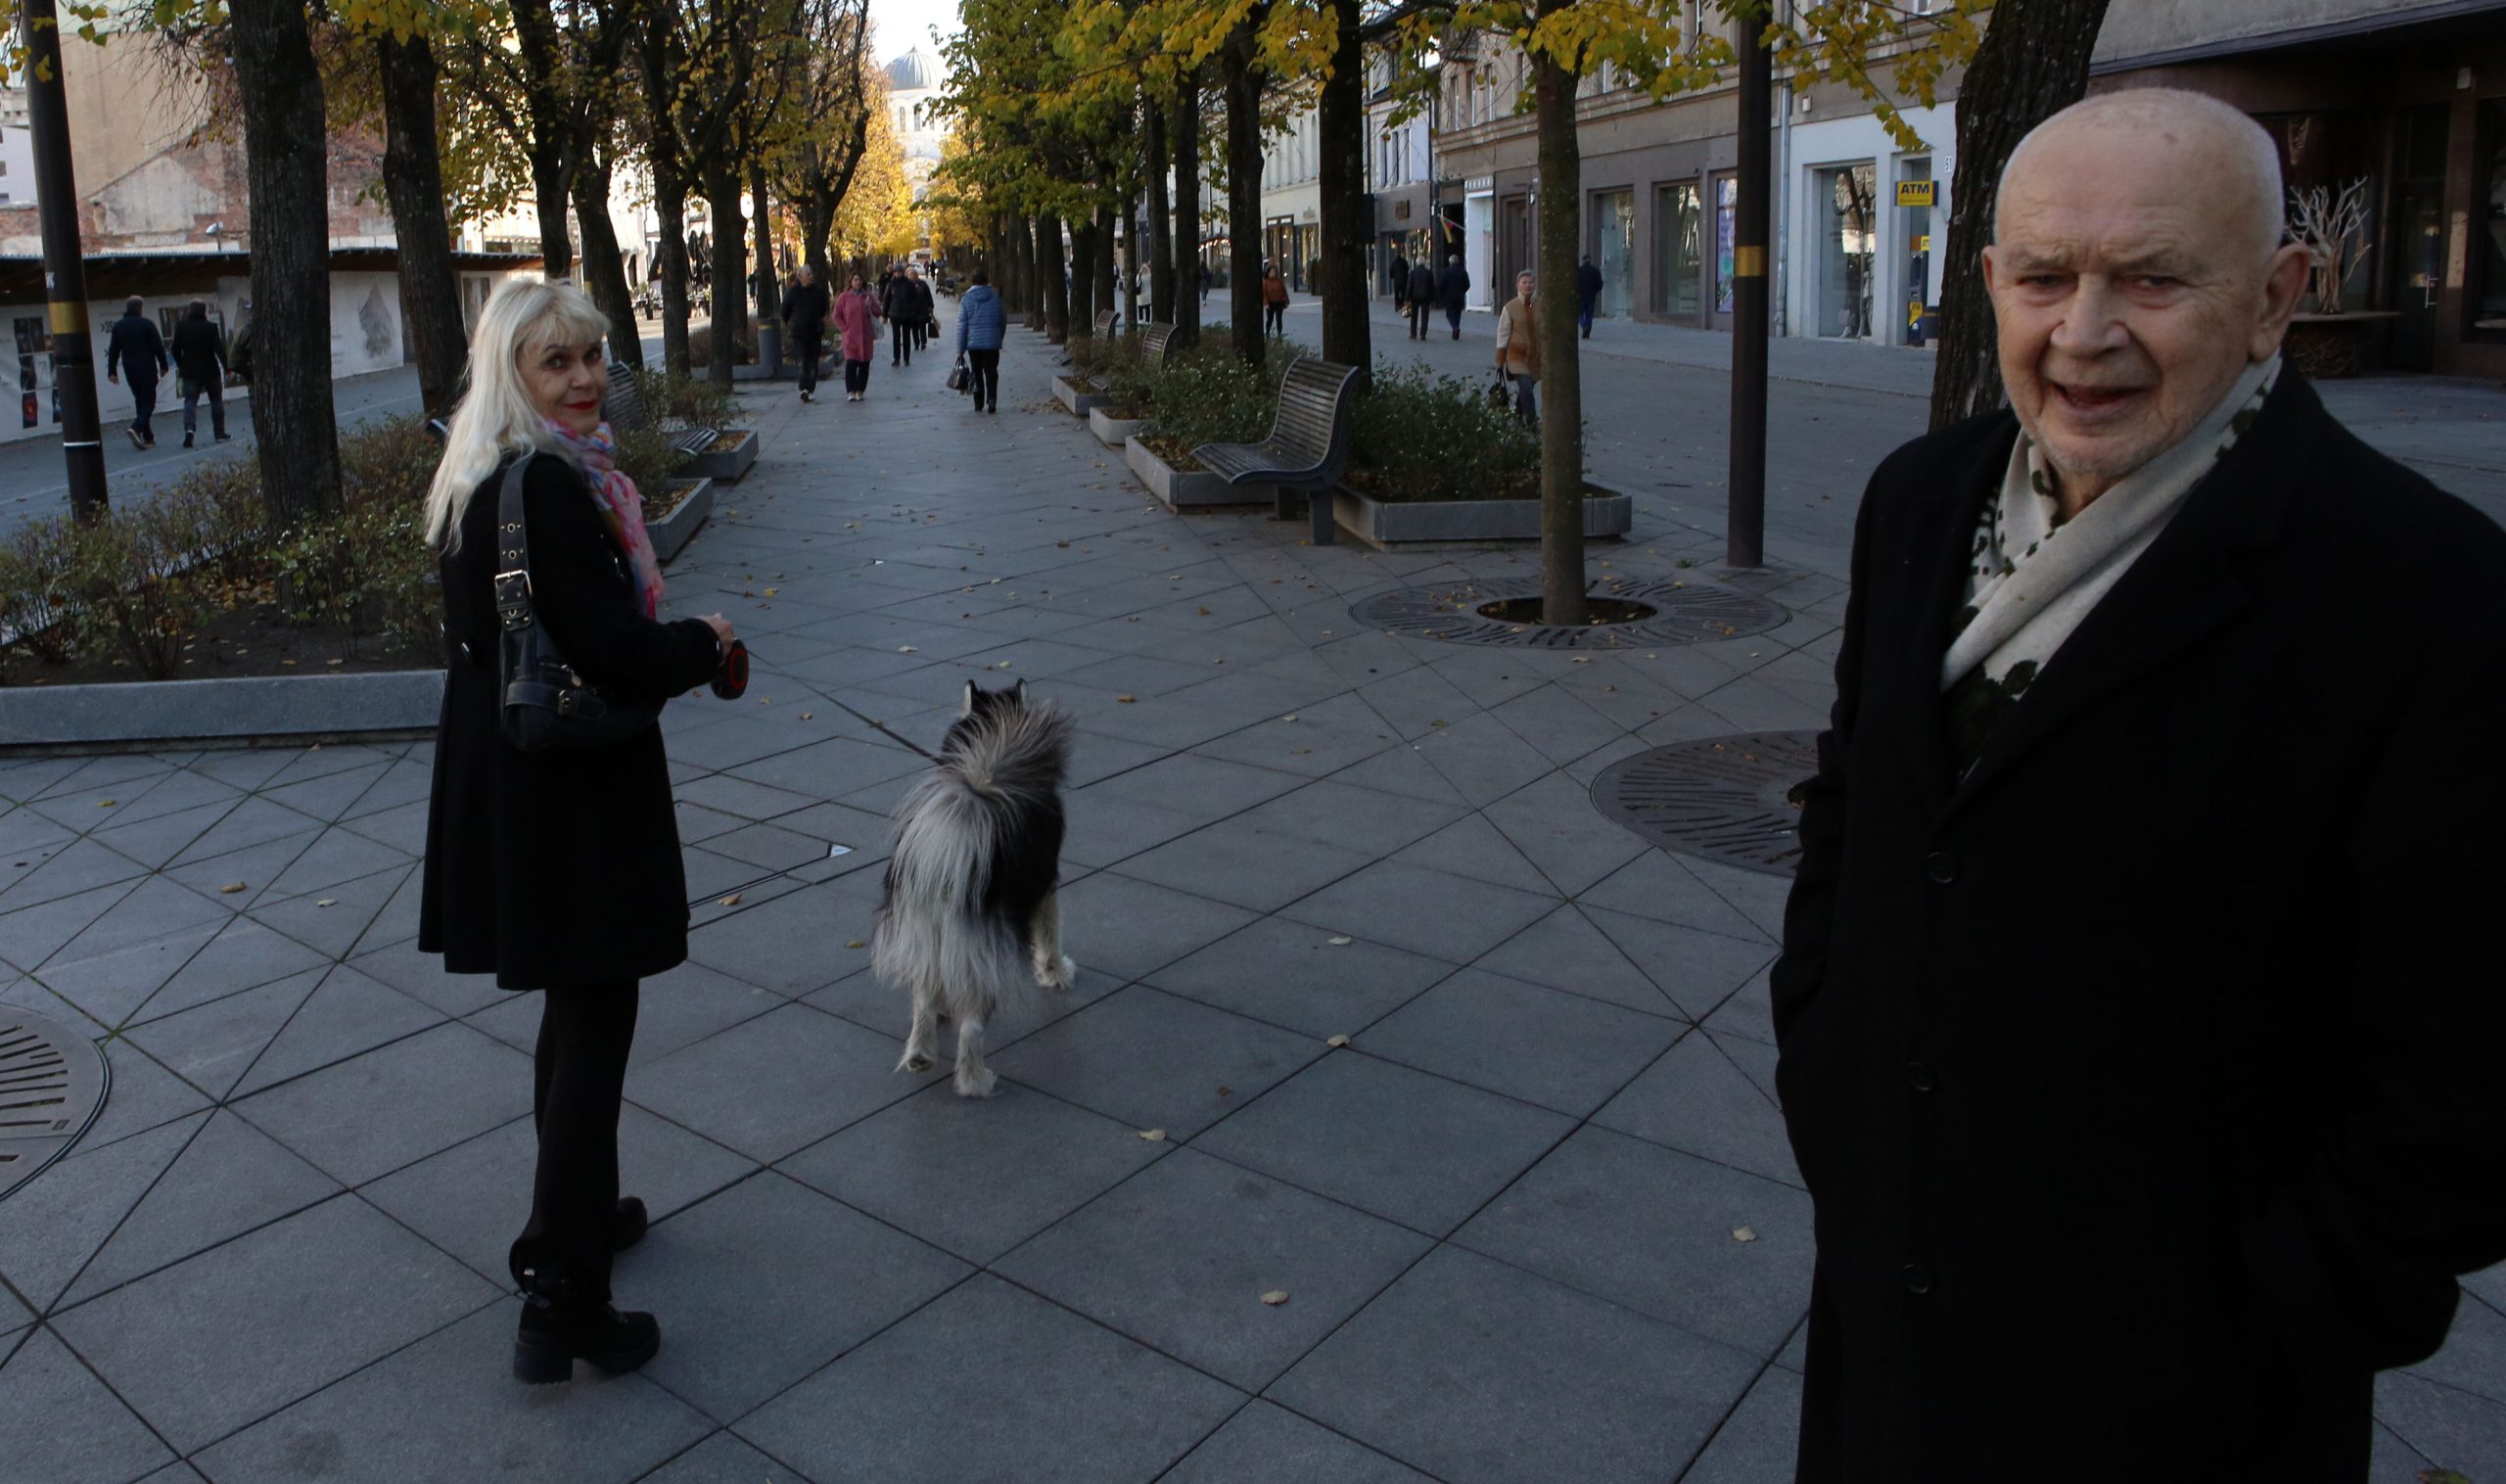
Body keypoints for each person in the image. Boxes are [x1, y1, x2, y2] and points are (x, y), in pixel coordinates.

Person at [1775, 89, 2506, 1482]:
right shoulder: (1919, 502)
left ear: (2280, 295)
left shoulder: (2428, 595)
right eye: (2044, 277)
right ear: (1987, 283)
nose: (2084, 334)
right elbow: (1857, 802)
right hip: (1892, 1299)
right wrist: (1824, 1043)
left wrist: (2293, 1297)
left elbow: (2468, 1072)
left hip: (2188, 1388)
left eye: (2156, 279)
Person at [418, 279, 737, 1387]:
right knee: (597, 1016)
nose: (587, 377)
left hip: (516, 778)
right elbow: (615, 651)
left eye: (594, 355)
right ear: (512, 372)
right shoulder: (547, 486)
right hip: (569, 791)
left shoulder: (478, 475)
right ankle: (563, 1296)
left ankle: (581, 1213)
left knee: (576, 1007)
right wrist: (705, 640)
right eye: (557, 362)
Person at [103, 297, 168, 450]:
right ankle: (136, 428)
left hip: (130, 369)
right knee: (149, 402)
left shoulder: (119, 326)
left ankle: (148, 437)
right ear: (141, 308)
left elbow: (113, 350)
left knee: (140, 400)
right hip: (147, 367)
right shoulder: (147, 324)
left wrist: (112, 371)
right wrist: (164, 365)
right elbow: (158, 346)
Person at [168, 300, 230, 447]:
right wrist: (227, 367)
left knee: (190, 402)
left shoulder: (181, 327)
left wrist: (182, 364)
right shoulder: (211, 327)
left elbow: (175, 349)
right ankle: (219, 433)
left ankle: (189, 431)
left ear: (190, 311)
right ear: (204, 312)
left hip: (190, 371)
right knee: (216, 401)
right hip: (210, 369)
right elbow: (219, 349)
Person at [954, 265, 1006, 414]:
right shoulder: (995, 298)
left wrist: (960, 349)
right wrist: (998, 337)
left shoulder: (966, 299)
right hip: (991, 343)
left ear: (972, 281)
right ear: (986, 281)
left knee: (976, 372)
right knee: (991, 371)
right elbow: (1002, 319)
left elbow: (962, 326)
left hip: (974, 344)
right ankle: (992, 400)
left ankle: (978, 403)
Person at [779, 263, 830, 403]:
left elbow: (823, 309)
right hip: (799, 333)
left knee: (813, 362)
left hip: (815, 332)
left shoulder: (818, 291)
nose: (811, 277)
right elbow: (784, 311)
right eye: (807, 275)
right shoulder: (792, 293)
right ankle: (803, 389)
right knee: (802, 361)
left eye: (811, 274)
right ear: (799, 276)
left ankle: (811, 389)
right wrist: (792, 322)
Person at [1493, 269, 1538, 426]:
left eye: (1530, 282)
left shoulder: (1543, 305)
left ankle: (1517, 417)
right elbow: (1503, 333)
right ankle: (1532, 423)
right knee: (1526, 387)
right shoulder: (1510, 307)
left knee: (1527, 389)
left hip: (1536, 357)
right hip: (1516, 357)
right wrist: (1500, 359)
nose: (1528, 286)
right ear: (1517, 285)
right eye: (1524, 283)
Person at [833, 272, 882, 400]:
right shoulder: (844, 297)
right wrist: (844, 328)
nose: (857, 282)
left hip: (865, 336)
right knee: (851, 363)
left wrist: (870, 305)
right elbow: (836, 315)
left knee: (864, 365)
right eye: (855, 280)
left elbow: (878, 312)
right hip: (851, 336)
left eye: (860, 280)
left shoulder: (867, 296)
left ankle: (860, 390)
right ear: (850, 282)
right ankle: (850, 391)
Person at [883, 265, 921, 367]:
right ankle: (896, 359)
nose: (898, 273)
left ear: (903, 272)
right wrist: (885, 315)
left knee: (906, 337)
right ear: (894, 273)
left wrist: (913, 311)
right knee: (896, 337)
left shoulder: (909, 284)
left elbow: (915, 298)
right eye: (896, 271)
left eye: (900, 271)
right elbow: (886, 300)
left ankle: (906, 358)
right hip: (894, 314)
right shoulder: (891, 284)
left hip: (907, 315)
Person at [1437, 253, 1470, 340]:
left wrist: (1442, 294)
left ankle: (1455, 328)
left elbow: (1441, 284)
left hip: (1449, 296)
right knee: (1458, 313)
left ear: (1450, 262)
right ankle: (1456, 329)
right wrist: (1463, 291)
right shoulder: (1462, 271)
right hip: (1459, 296)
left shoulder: (1446, 271)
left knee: (1450, 314)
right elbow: (1467, 284)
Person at [1405, 257, 1438, 341]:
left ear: (1416, 263)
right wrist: (1433, 298)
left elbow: (1409, 286)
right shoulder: (1428, 273)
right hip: (1425, 297)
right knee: (1425, 316)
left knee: (1414, 316)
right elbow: (1432, 286)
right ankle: (1423, 334)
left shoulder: (1412, 273)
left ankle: (1413, 333)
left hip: (1414, 297)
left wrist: (1407, 298)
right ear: (1424, 263)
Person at [910, 265, 938, 352]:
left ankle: (923, 342)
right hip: (912, 310)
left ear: (917, 275)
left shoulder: (923, 283)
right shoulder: (908, 284)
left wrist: (931, 305)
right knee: (914, 327)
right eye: (911, 275)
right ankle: (916, 343)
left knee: (922, 326)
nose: (913, 277)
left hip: (923, 308)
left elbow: (928, 295)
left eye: (914, 275)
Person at [1576, 253, 1602, 339]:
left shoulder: (1579, 271)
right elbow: (1600, 284)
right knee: (1589, 315)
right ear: (1590, 260)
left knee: (1579, 314)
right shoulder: (1595, 271)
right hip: (1591, 297)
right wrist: (1595, 291)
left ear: (1583, 261)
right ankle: (1587, 332)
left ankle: (1584, 326)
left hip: (1580, 297)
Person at [1262, 262, 1289, 339]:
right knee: (1270, 319)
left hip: (1279, 302)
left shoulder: (1279, 281)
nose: (1273, 273)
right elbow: (1264, 294)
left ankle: (1279, 334)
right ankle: (1267, 333)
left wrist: (1286, 301)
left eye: (1274, 272)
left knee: (1279, 319)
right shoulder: (1266, 282)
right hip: (1270, 303)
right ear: (1268, 273)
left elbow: (1284, 291)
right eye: (1272, 272)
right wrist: (1266, 303)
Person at [1391, 251, 1412, 317]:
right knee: (1403, 293)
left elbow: (1391, 271)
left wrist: (1393, 276)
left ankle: (1397, 305)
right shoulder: (1404, 262)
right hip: (1404, 281)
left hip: (1396, 281)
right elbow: (1407, 270)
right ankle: (1402, 304)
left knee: (1396, 294)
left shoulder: (1393, 263)